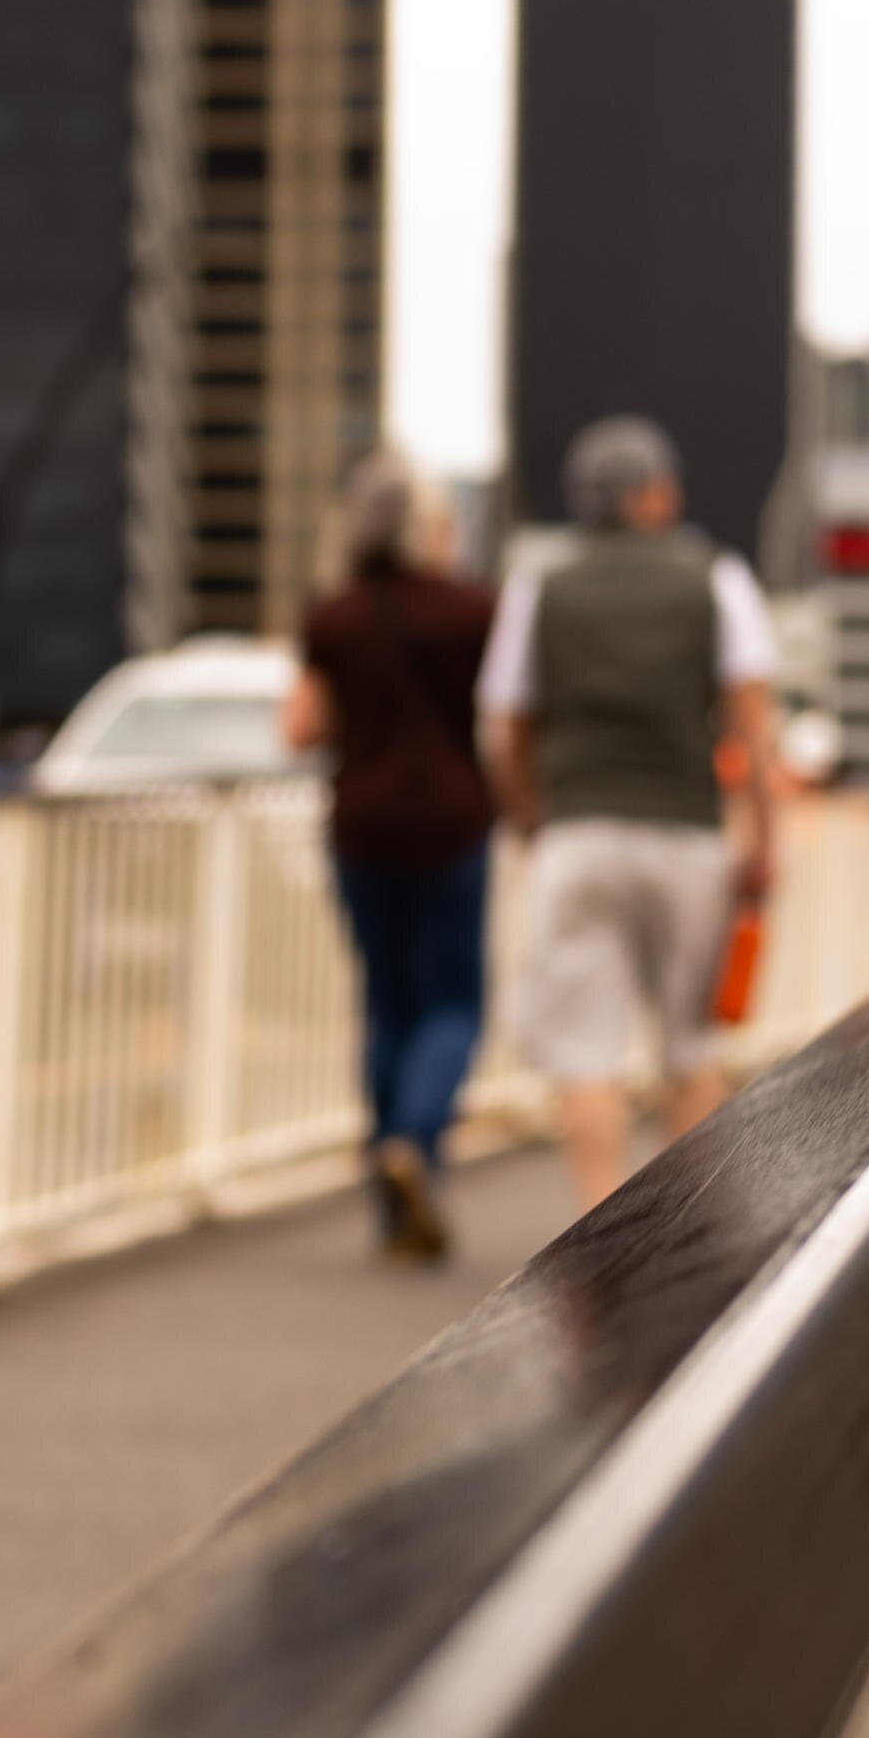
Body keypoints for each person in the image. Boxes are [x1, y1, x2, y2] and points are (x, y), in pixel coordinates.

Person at [479, 415, 783, 1211]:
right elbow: (754, 722)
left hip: (576, 834)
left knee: (588, 1053)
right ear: (655, 494)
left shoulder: (540, 585)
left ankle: (597, 1226)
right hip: (687, 834)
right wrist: (764, 837)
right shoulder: (715, 579)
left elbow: (504, 729)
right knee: (689, 1048)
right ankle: (681, 1226)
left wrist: (530, 819)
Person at [287, 451, 496, 1263]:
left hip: (361, 826)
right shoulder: (475, 609)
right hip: (452, 820)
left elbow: (298, 728)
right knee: (453, 1004)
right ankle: (413, 1140)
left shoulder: (335, 614)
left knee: (387, 1003)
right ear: (426, 527)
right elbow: (507, 714)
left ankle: (390, 1201)